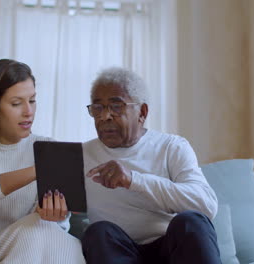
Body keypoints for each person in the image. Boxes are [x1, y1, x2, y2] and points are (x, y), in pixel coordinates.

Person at [0, 59, 85, 264]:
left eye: (33, 100)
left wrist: (56, 216)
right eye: (16, 103)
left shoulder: (48, 146)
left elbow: (55, 229)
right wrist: (39, 170)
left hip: (35, 249)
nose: (28, 111)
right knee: (38, 229)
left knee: (49, 231)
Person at [81, 67, 221, 264]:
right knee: (98, 232)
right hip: (117, 252)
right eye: (98, 108)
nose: (105, 116)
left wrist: (134, 180)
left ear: (142, 112)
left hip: (171, 251)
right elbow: (59, 211)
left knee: (191, 222)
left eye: (116, 106)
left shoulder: (172, 146)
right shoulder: (80, 155)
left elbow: (206, 205)